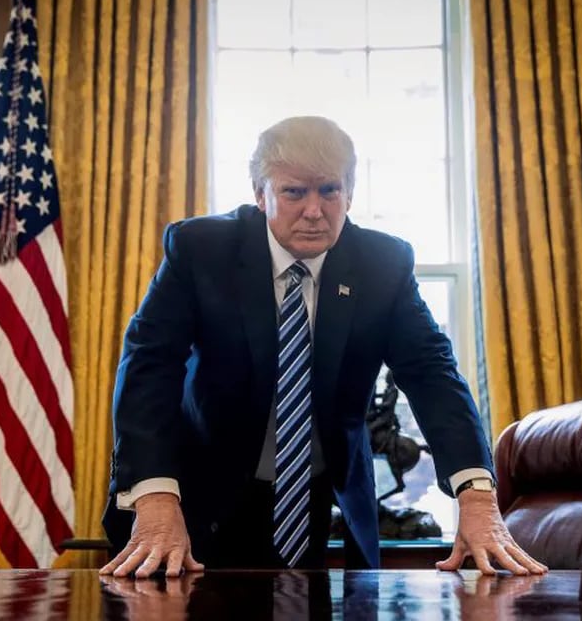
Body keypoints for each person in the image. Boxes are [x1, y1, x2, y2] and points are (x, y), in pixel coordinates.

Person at [100, 116, 547, 578]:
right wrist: (154, 496)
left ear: (349, 193)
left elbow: (433, 374)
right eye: (294, 192)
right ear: (260, 194)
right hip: (196, 496)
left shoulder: (383, 264)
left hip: (314, 500)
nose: (314, 210)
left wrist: (476, 494)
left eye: (329, 191)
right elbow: (148, 365)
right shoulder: (201, 249)